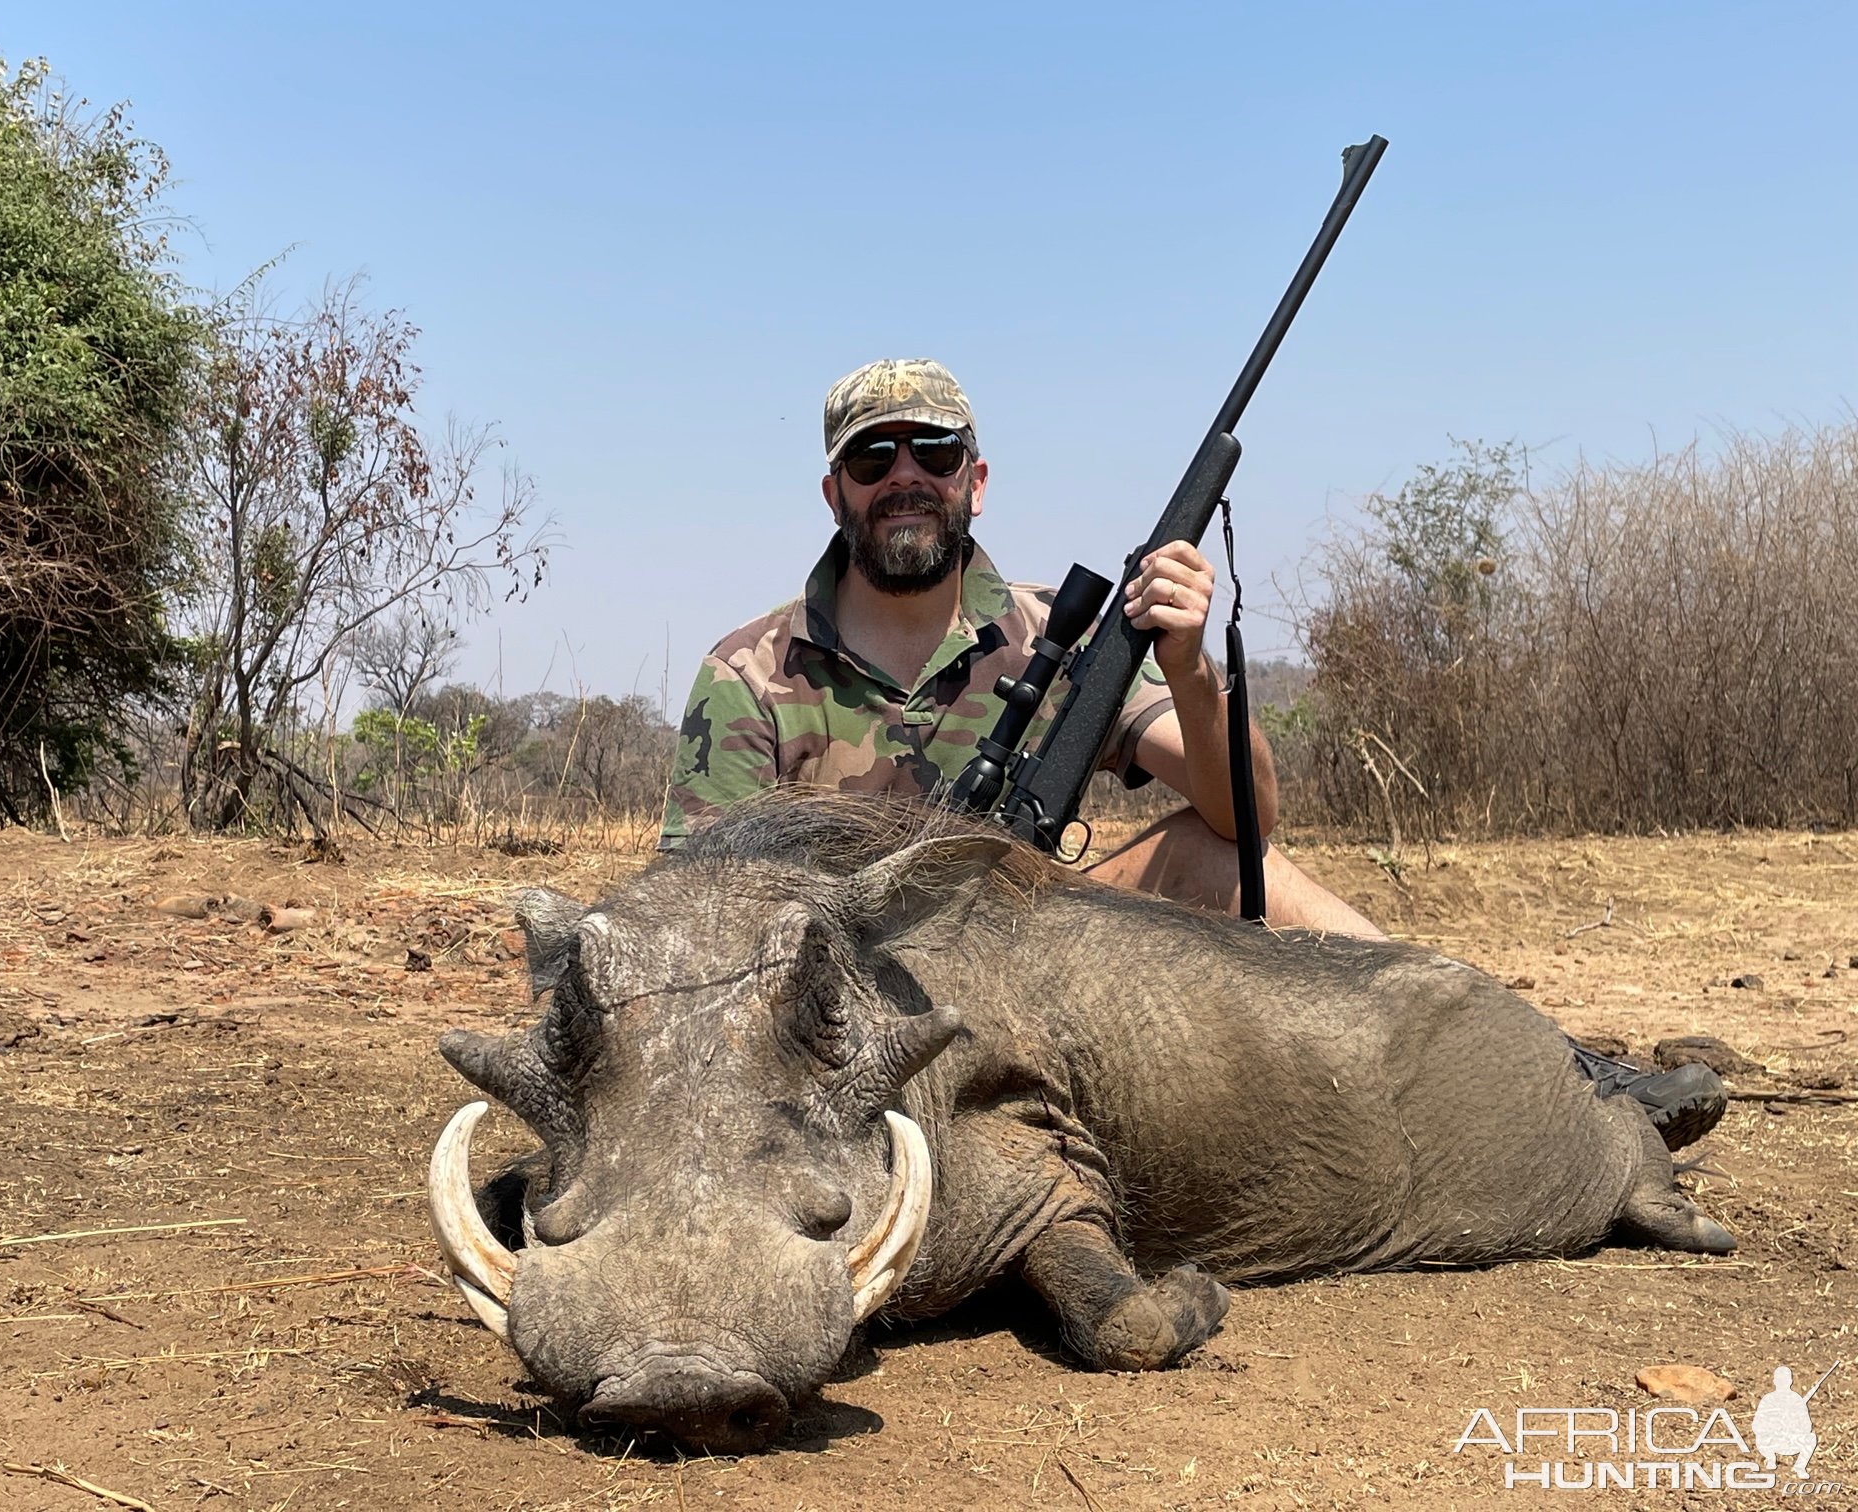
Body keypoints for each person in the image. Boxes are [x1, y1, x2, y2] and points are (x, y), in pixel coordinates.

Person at [660, 358, 1725, 1146]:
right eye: (871, 457)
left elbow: (1245, 821)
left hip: (1041, 963)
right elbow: (687, 932)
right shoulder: (747, 674)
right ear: (835, 489)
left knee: (1217, 863)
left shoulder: (1056, 636)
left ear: (974, 481)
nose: (905, 476)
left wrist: (1186, 669)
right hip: (838, 1009)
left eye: (932, 453)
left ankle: (1553, 1075)